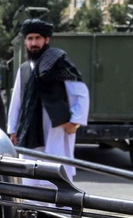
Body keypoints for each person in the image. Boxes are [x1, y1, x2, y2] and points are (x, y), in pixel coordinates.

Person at [7, 18, 90, 181]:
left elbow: (81, 93)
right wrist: (13, 129)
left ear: (46, 40)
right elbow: (17, 101)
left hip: (56, 131)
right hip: (30, 132)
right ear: (25, 42)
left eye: (38, 38)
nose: (34, 43)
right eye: (30, 39)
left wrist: (74, 122)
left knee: (56, 181)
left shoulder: (60, 64)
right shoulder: (24, 69)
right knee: (30, 181)